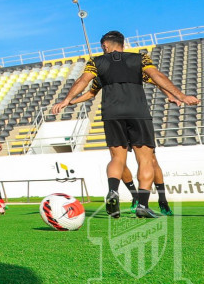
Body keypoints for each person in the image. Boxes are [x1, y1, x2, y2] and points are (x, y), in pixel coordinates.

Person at [52, 31, 195, 219]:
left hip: (112, 114)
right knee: (146, 159)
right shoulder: (140, 59)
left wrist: (66, 100)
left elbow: (83, 81)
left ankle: (114, 191)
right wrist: (180, 96)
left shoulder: (97, 63)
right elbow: (156, 76)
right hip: (138, 113)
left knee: (117, 158)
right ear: (123, 43)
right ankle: (142, 203)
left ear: (105, 45)